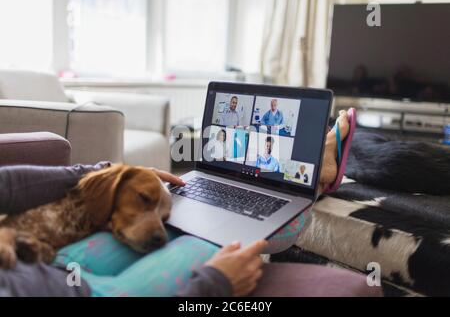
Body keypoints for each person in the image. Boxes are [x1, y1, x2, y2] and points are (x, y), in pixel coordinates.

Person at [0, 110, 352, 297]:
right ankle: (313, 179)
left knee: (180, 219)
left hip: (43, 265)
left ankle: (308, 175)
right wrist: (215, 284)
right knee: (211, 239)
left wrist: (112, 172)